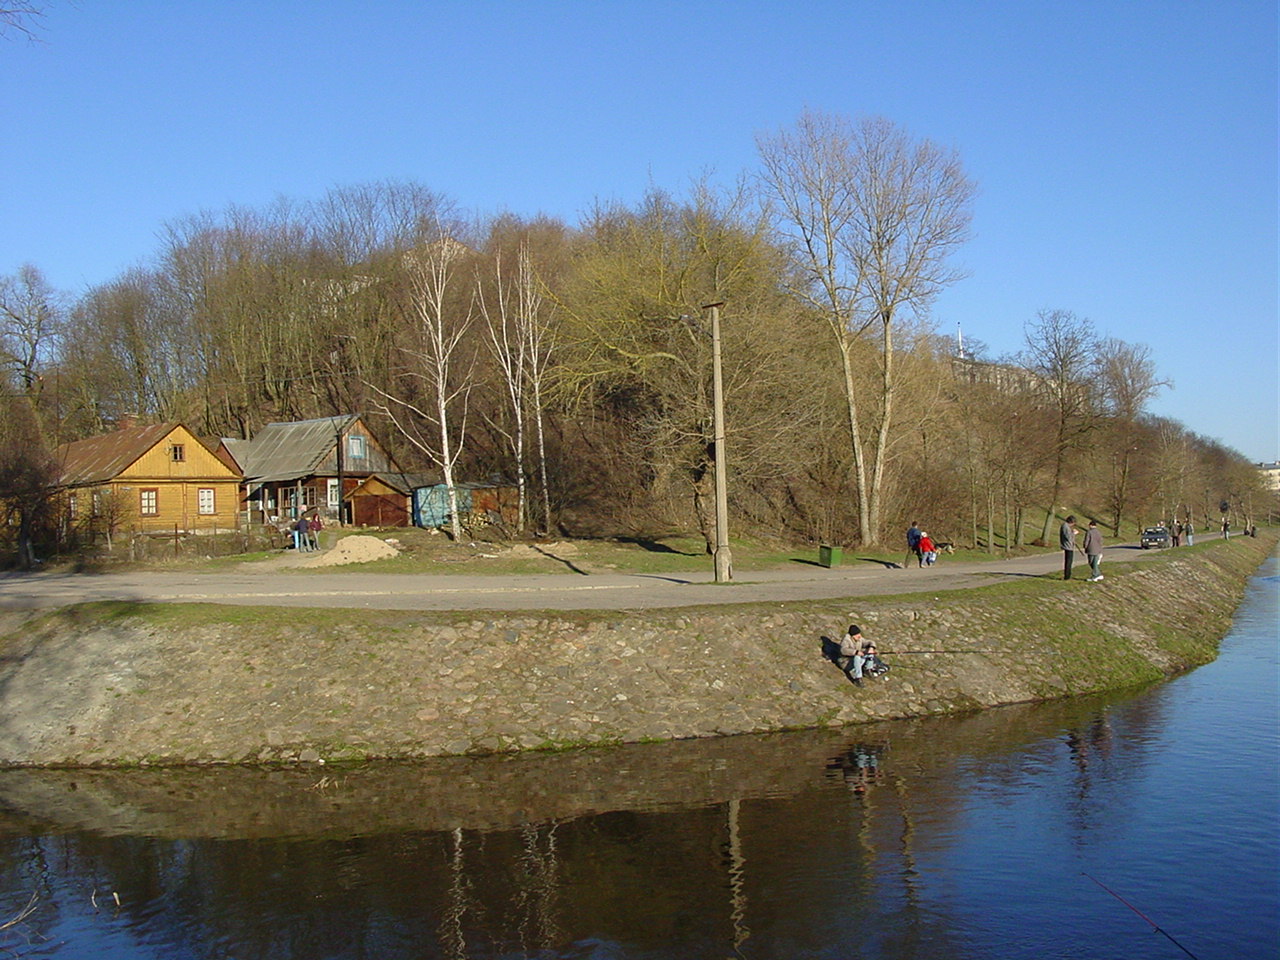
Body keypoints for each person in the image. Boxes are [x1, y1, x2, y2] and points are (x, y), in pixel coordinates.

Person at [1060, 515, 1078, 580]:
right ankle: (1067, 576)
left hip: (1069, 546)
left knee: (1069, 561)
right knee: (1068, 562)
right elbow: (1068, 537)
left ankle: (1068, 575)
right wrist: (1073, 533)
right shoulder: (1065, 527)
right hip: (1068, 546)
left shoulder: (1066, 527)